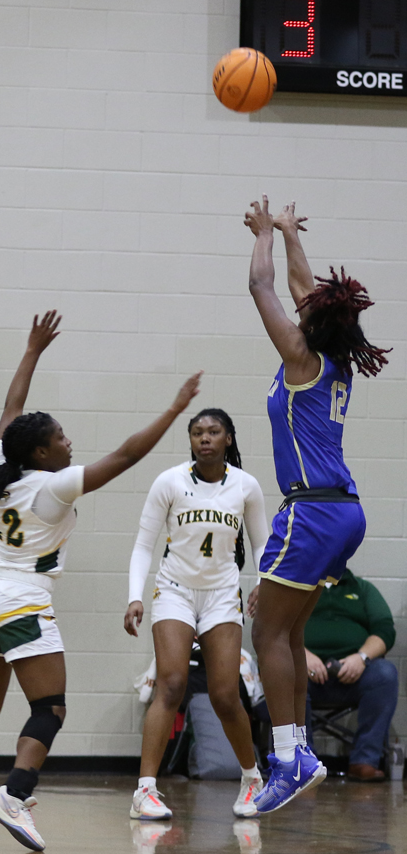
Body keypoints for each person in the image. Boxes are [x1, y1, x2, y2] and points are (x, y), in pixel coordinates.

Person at [0, 311, 202, 852]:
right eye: (60, 437)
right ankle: (14, 795)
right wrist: (174, 409)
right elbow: (129, 454)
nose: (69, 441)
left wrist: (31, 352)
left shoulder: (6, 462)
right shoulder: (54, 486)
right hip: (21, 599)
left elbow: (11, 409)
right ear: (41, 452)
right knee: (50, 709)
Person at [244, 196, 390, 813]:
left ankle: (288, 756)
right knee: (290, 628)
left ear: (309, 321)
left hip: (311, 510)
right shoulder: (336, 360)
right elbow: (308, 290)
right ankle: (298, 746)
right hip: (343, 510)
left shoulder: (300, 358)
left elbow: (262, 285)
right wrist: (290, 234)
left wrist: (262, 237)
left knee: (266, 631)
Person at [124, 408, 268, 820]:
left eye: (213, 431)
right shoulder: (169, 481)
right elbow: (142, 545)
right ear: (190, 440)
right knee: (170, 683)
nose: (205, 438)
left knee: (225, 695)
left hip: (223, 594)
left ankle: (251, 779)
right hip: (174, 590)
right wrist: (135, 596)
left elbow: (263, 543)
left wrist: (263, 581)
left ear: (228, 438)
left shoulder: (246, 486)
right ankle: (145, 792)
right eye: (197, 432)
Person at [304, 567, 398, 781]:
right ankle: (304, 762)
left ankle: (364, 760)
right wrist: (302, 656)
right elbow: (275, 628)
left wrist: (362, 658)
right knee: (285, 674)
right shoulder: (297, 585)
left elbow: (385, 629)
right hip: (305, 675)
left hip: (353, 675)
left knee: (385, 674)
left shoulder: (362, 588)